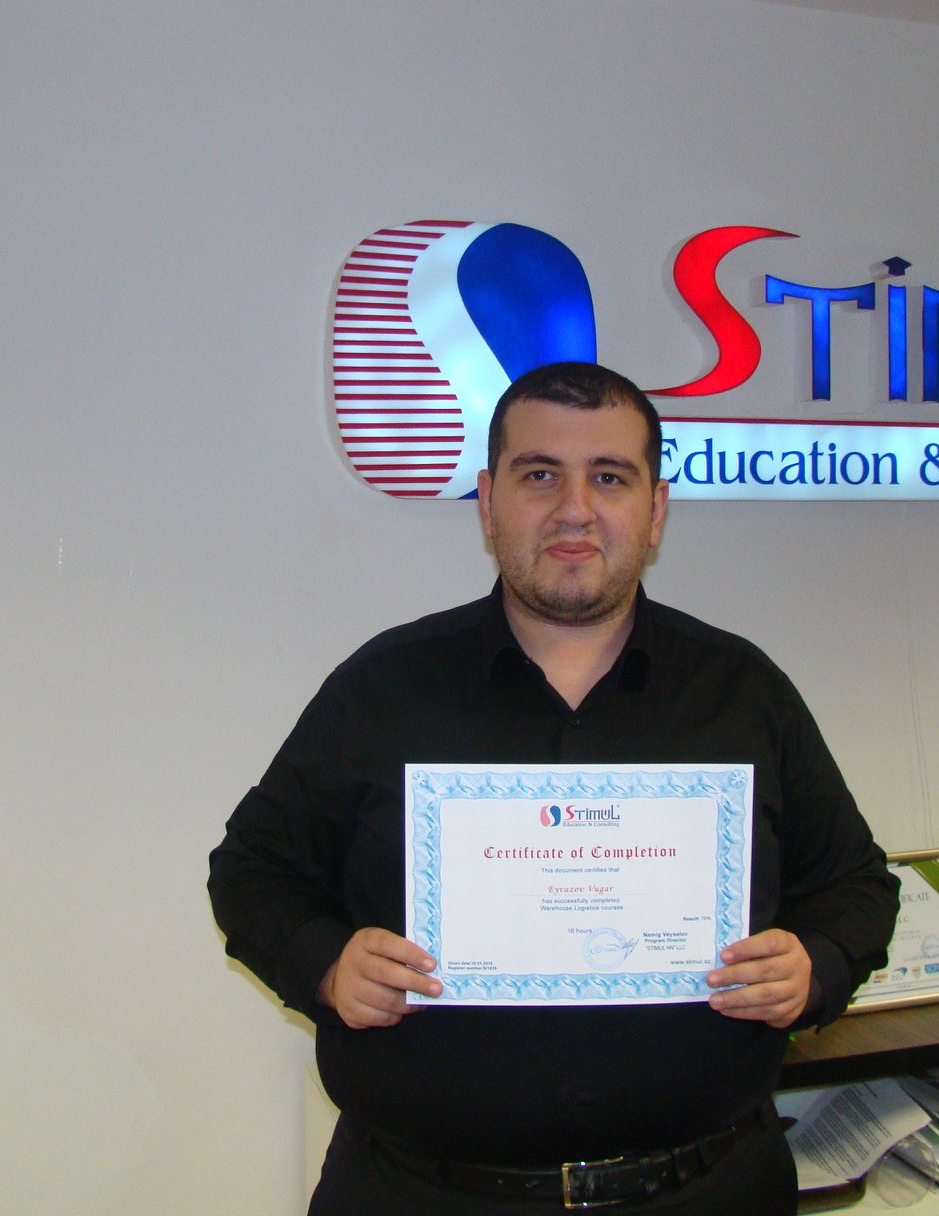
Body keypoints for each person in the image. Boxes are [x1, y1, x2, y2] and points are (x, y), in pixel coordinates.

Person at [209, 362, 898, 1215]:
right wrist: (325, 965)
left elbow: (858, 887)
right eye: (540, 475)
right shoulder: (383, 689)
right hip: (422, 1196)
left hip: (708, 1190)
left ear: (656, 509)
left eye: (610, 477)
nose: (574, 508)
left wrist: (812, 966)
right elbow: (250, 871)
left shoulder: (743, 693)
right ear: (488, 502)